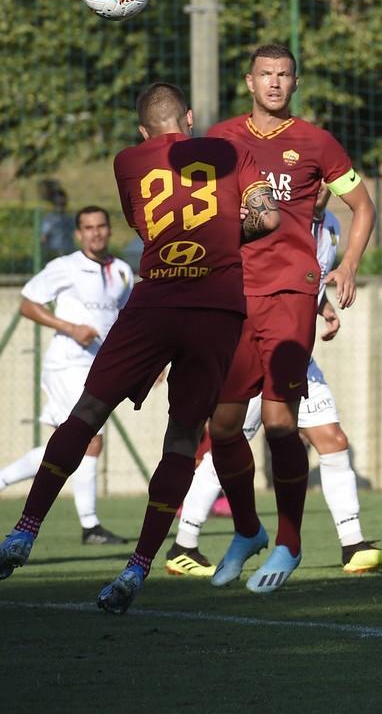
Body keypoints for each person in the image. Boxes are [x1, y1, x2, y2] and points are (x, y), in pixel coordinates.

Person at [0, 82, 279, 613]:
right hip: (217, 309)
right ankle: (136, 568)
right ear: (190, 118)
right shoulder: (231, 151)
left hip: (154, 303)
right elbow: (266, 219)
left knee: (85, 415)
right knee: (181, 440)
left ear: (143, 131)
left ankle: (22, 533)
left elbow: (151, 226)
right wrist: (224, 236)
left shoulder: (128, 161)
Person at [204, 42, 376, 593]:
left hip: (292, 291)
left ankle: (290, 542)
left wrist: (347, 264)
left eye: (284, 75)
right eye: (265, 75)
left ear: (294, 83)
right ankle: (249, 530)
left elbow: (363, 205)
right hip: (235, 294)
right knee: (223, 426)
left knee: (280, 421)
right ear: (248, 82)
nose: (275, 83)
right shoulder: (221, 139)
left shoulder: (316, 142)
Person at [166, 187, 382, 575]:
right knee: (230, 446)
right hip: (257, 349)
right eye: (318, 178)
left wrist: (323, 307)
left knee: (332, 440)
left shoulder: (330, 225)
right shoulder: (270, 220)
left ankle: (353, 545)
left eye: (330, 179)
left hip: (296, 350)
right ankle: (183, 544)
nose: (325, 186)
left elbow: (303, 282)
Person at [0, 206, 132, 545]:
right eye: (88, 228)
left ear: (109, 230)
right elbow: (28, 304)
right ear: (78, 234)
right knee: (90, 438)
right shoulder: (65, 267)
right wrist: (69, 327)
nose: (96, 233)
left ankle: (1, 480)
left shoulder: (121, 271)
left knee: (68, 444)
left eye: (101, 226)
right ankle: (90, 526)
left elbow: (129, 321)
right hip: (66, 364)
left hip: (99, 367)